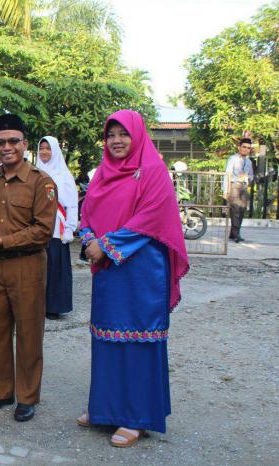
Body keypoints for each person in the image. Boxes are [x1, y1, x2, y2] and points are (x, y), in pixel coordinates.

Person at [77, 110, 189, 447]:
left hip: (141, 272)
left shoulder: (153, 171)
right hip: (110, 271)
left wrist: (105, 245)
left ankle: (136, 418)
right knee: (106, 338)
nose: (116, 141)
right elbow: (87, 212)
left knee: (138, 340)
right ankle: (105, 410)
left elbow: (150, 219)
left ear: (136, 135)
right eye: (110, 135)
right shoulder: (103, 173)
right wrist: (89, 239)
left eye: (123, 134)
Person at [0, 114, 57, 422]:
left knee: (28, 333)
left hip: (28, 266)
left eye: (13, 141)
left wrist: (3, 241)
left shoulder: (41, 181)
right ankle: (1, 392)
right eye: (0, 142)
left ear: (24, 144)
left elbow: (43, 231)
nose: (6, 147)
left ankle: (27, 396)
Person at [36, 136, 78, 319]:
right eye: (41, 148)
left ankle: (53, 306)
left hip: (56, 229)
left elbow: (72, 204)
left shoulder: (64, 175)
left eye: (48, 148)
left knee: (55, 268)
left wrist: (70, 227)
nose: (44, 152)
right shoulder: (33, 172)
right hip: (37, 228)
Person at [224, 138, 254, 243]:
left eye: (248, 148)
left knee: (242, 210)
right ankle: (236, 234)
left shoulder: (249, 161)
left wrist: (248, 177)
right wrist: (225, 190)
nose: (246, 149)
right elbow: (227, 174)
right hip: (234, 185)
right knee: (235, 210)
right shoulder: (232, 159)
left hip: (244, 187)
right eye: (244, 147)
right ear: (239, 147)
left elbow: (251, 176)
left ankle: (233, 233)